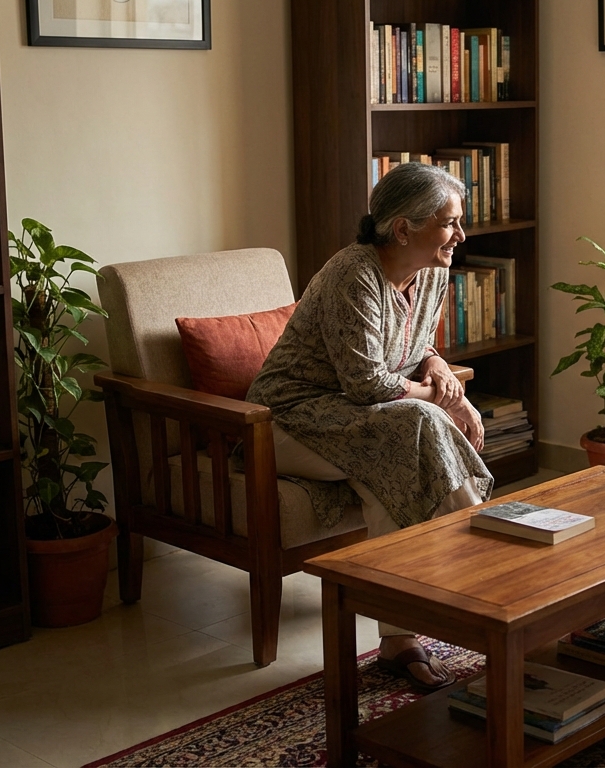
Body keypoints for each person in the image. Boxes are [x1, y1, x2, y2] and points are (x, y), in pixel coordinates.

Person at [248, 162, 493, 691]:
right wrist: (444, 402)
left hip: (364, 421)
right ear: (403, 229)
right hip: (288, 417)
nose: (461, 234)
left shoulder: (431, 273)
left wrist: (441, 371)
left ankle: (398, 640)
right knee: (413, 425)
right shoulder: (351, 273)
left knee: (394, 458)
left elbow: (415, 343)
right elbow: (366, 382)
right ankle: (491, 564)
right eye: (450, 222)